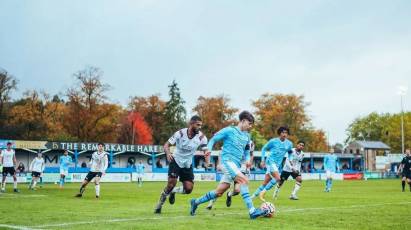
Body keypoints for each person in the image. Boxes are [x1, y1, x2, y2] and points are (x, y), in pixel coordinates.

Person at [190, 111, 269, 219]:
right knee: (244, 180)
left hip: (235, 165)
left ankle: (195, 202)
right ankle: (252, 211)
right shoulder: (229, 130)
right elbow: (214, 138)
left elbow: (246, 151)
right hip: (227, 161)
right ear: (243, 121)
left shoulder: (247, 136)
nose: (250, 126)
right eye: (249, 124)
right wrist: (209, 148)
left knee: (219, 192)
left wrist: (247, 160)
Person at [154, 115, 209, 214]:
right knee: (170, 185)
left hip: (188, 163)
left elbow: (206, 151)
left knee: (188, 189)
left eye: (201, 125)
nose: (199, 127)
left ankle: (174, 191)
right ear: (191, 124)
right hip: (176, 160)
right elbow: (166, 145)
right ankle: (159, 205)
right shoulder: (180, 133)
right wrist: (168, 153)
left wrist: (207, 161)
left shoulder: (202, 137)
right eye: (198, 125)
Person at [206, 141, 255, 210]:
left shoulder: (251, 143)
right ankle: (210, 203)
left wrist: (249, 164)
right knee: (222, 188)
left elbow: (251, 154)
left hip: (242, 168)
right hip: (231, 166)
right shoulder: (233, 139)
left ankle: (229, 194)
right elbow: (221, 152)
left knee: (237, 190)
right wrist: (219, 164)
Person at [251, 127, 293, 202]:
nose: (284, 134)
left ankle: (253, 196)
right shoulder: (273, 141)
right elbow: (264, 148)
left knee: (265, 182)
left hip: (277, 165)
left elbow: (290, 153)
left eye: (286, 133)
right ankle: (262, 193)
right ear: (279, 133)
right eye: (283, 132)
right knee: (278, 178)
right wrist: (262, 160)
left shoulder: (289, 144)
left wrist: (290, 159)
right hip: (270, 161)